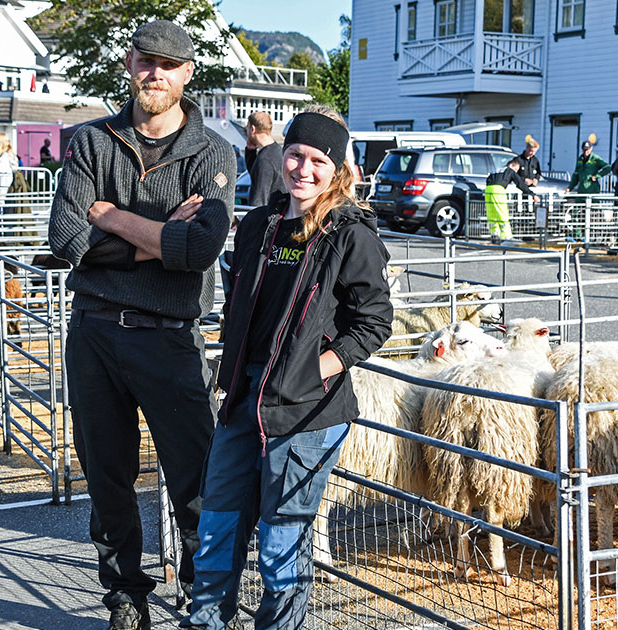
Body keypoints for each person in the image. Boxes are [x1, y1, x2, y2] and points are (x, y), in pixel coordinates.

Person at [46, 19, 234, 630]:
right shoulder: (91, 141)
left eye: (169, 64)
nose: (156, 73)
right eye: (146, 60)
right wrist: (160, 237)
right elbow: (66, 239)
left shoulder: (212, 153)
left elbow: (201, 249)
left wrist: (110, 217)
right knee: (107, 477)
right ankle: (126, 598)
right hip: (95, 333)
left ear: (187, 74)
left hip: (169, 336)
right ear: (129, 64)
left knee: (197, 480)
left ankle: (208, 601)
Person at [184, 106, 393, 630]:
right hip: (243, 399)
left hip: (305, 411)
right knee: (216, 530)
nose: (303, 169)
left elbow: (373, 322)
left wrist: (315, 368)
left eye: (318, 160)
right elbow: (240, 305)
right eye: (296, 154)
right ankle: (206, 622)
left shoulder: (350, 235)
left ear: (337, 168)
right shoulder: (259, 225)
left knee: (281, 546)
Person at [484, 157, 537, 242]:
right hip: (498, 190)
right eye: (516, 169)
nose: (516, 171)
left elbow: (488, 179)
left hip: (488, 190)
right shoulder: (509, 170)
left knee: (492, 214)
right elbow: (520, 183)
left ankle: (494, 235)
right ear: (512, 165)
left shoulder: (497, 170)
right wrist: (532, 194)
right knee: (502, 213)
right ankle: (507, 237)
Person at [245, 111, 284, 206]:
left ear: (252, 129)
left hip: (269, 213)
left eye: (247, 128)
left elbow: (258, 200)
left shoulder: (265, 159)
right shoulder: (277, 151)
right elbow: (255, 177)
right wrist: (250, 151)